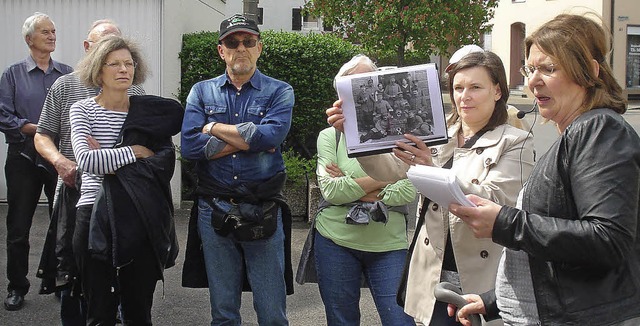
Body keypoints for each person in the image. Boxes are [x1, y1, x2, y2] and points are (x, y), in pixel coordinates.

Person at [448, 13, 640, 326]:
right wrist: (492, 300)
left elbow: (608, 239)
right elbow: (556, 259)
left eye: (549, 69)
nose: (533, 81)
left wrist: (505, 223)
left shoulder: (599, 129)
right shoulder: (577, 132)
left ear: (589, 71)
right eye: (530, 68)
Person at [327, 50, 535, 325]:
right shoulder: (440, 132)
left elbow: (497, 201)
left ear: (497, 91)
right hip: (432, 274)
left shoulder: (517, 140)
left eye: (475, 87)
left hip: (481, 278)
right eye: (458, 88)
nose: (465, 96)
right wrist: (353, 131)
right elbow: (388, 170)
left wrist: (431, 170)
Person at [180, 14, 294, 325]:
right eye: (232, 42)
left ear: (259, 47)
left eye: (248, 41)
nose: (240, 47)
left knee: (272, 314)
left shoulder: (280, 91)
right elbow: (190, 148)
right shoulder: (201, 92)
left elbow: (273, 136)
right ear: (221, 50)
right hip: (214, 210)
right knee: (223, 312)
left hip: (263, 209)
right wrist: (251, 138)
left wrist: (213, 126)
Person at [34, 19, 145, 325]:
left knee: (122, 285)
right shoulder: (66, 86)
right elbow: (42, 134)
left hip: (123, 199)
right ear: (88, 49)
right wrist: (61, 161)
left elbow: (150, 154)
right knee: (72, 279)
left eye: (124, 56)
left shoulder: (136, 92)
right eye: (106, 50)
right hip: (75, 195)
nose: (120, 65)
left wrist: (109, 157)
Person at [69, 35, 181, 325]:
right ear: (98, 69)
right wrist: (135, 151)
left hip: (139, 213)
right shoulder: (82, 109)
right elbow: (87, 161)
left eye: (129, 64)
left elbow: (161, 165)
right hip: (93, 212)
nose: (124, 70)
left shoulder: (148, 113)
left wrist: (110, 157)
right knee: (99, 312)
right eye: (115, 64)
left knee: (138, 312)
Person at [308, 54, 417, 326]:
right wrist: (386, 179)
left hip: (389, 243)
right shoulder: (330, 135)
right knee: (341, 321)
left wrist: (355, 184)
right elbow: (331, 192)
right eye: (354, 84)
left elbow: (408, 191)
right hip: (335, 238)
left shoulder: (398, 132)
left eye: (369, 82)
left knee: (400, 321)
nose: (364, 91)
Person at [0, 12, 73, 311]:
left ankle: (58, 280)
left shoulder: (68, 74)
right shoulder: (12, 74)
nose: (52, 36)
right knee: (18, 226)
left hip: (58, 158)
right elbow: (3, 116)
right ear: (30, 39)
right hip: (24, 158)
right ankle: (17, 286)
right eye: (45, 32)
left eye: (54, 31)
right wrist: (34, 128)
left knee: (63, 222)